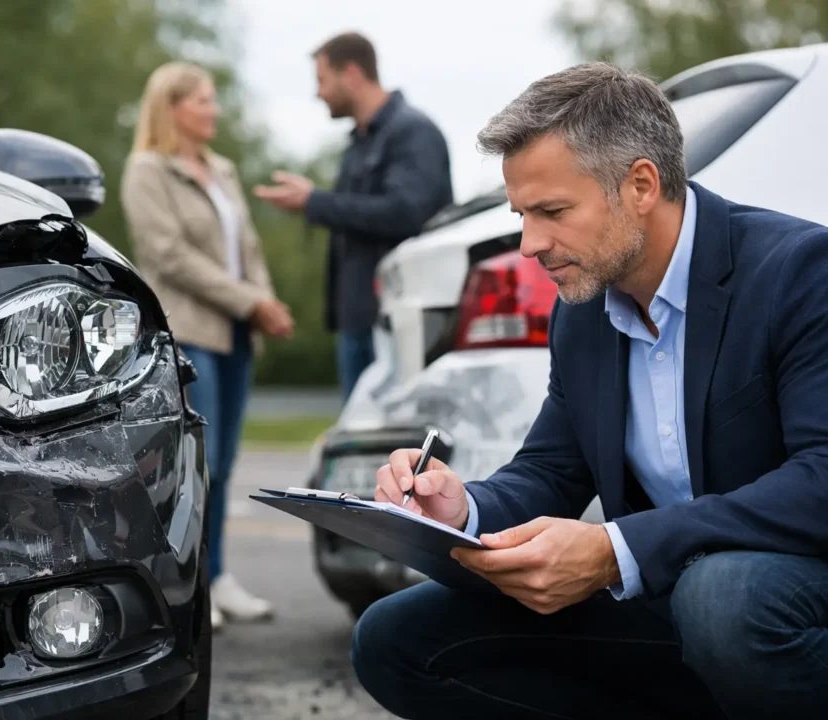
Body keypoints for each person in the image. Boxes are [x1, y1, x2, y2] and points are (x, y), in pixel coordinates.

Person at [351, 62, 828, 719]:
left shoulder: (800, 271)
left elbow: (821, 479)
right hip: (679, 603)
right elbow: (552, 469)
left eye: (552, 212)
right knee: (395, 638)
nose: (529, 245)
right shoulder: (583, 314)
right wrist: (461, 511)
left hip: (791, 592)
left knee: (723, 597)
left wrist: (614, 550)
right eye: (522, 215)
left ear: (641, 185)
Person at [120, 62, 294, 632]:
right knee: (199, 463)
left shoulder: (222, 170)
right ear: (171, 108)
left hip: (236, 331)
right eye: (201, 100)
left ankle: (217, 576)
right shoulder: (147, 170)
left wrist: (263, 301)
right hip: (192, 330)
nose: (213, 109)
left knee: (225, 461)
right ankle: (189, 585)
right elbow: (169, 256)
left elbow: (249, 248)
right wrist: (250, 301)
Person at [254, 32, 453, 403]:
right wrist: (316, 202)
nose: (318, 93)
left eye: (322, 80)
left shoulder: (413, 132)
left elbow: (407, 213)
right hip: (358, 317)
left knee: (397, 432)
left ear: (351, 73)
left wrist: (315, 202)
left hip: (398, 321)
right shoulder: (359, 143)